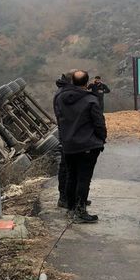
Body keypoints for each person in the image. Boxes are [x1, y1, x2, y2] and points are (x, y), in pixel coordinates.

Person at [57, 70, 107, 223]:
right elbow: (99, 123)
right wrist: (101, 139)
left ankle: (71, 208)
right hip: (87, 145)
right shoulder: (91, 100)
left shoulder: (59, 98)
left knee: (72, 176)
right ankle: (80, 210)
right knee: (84, 178)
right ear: (87, 83)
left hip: (68, 144)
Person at [53, 69, 76, 209]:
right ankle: (64, 197)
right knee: (66, 167)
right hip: (67, 134)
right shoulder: (64, 95)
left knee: (70, 167)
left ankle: (72, 196)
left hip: (68, 133)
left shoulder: (63, 91)